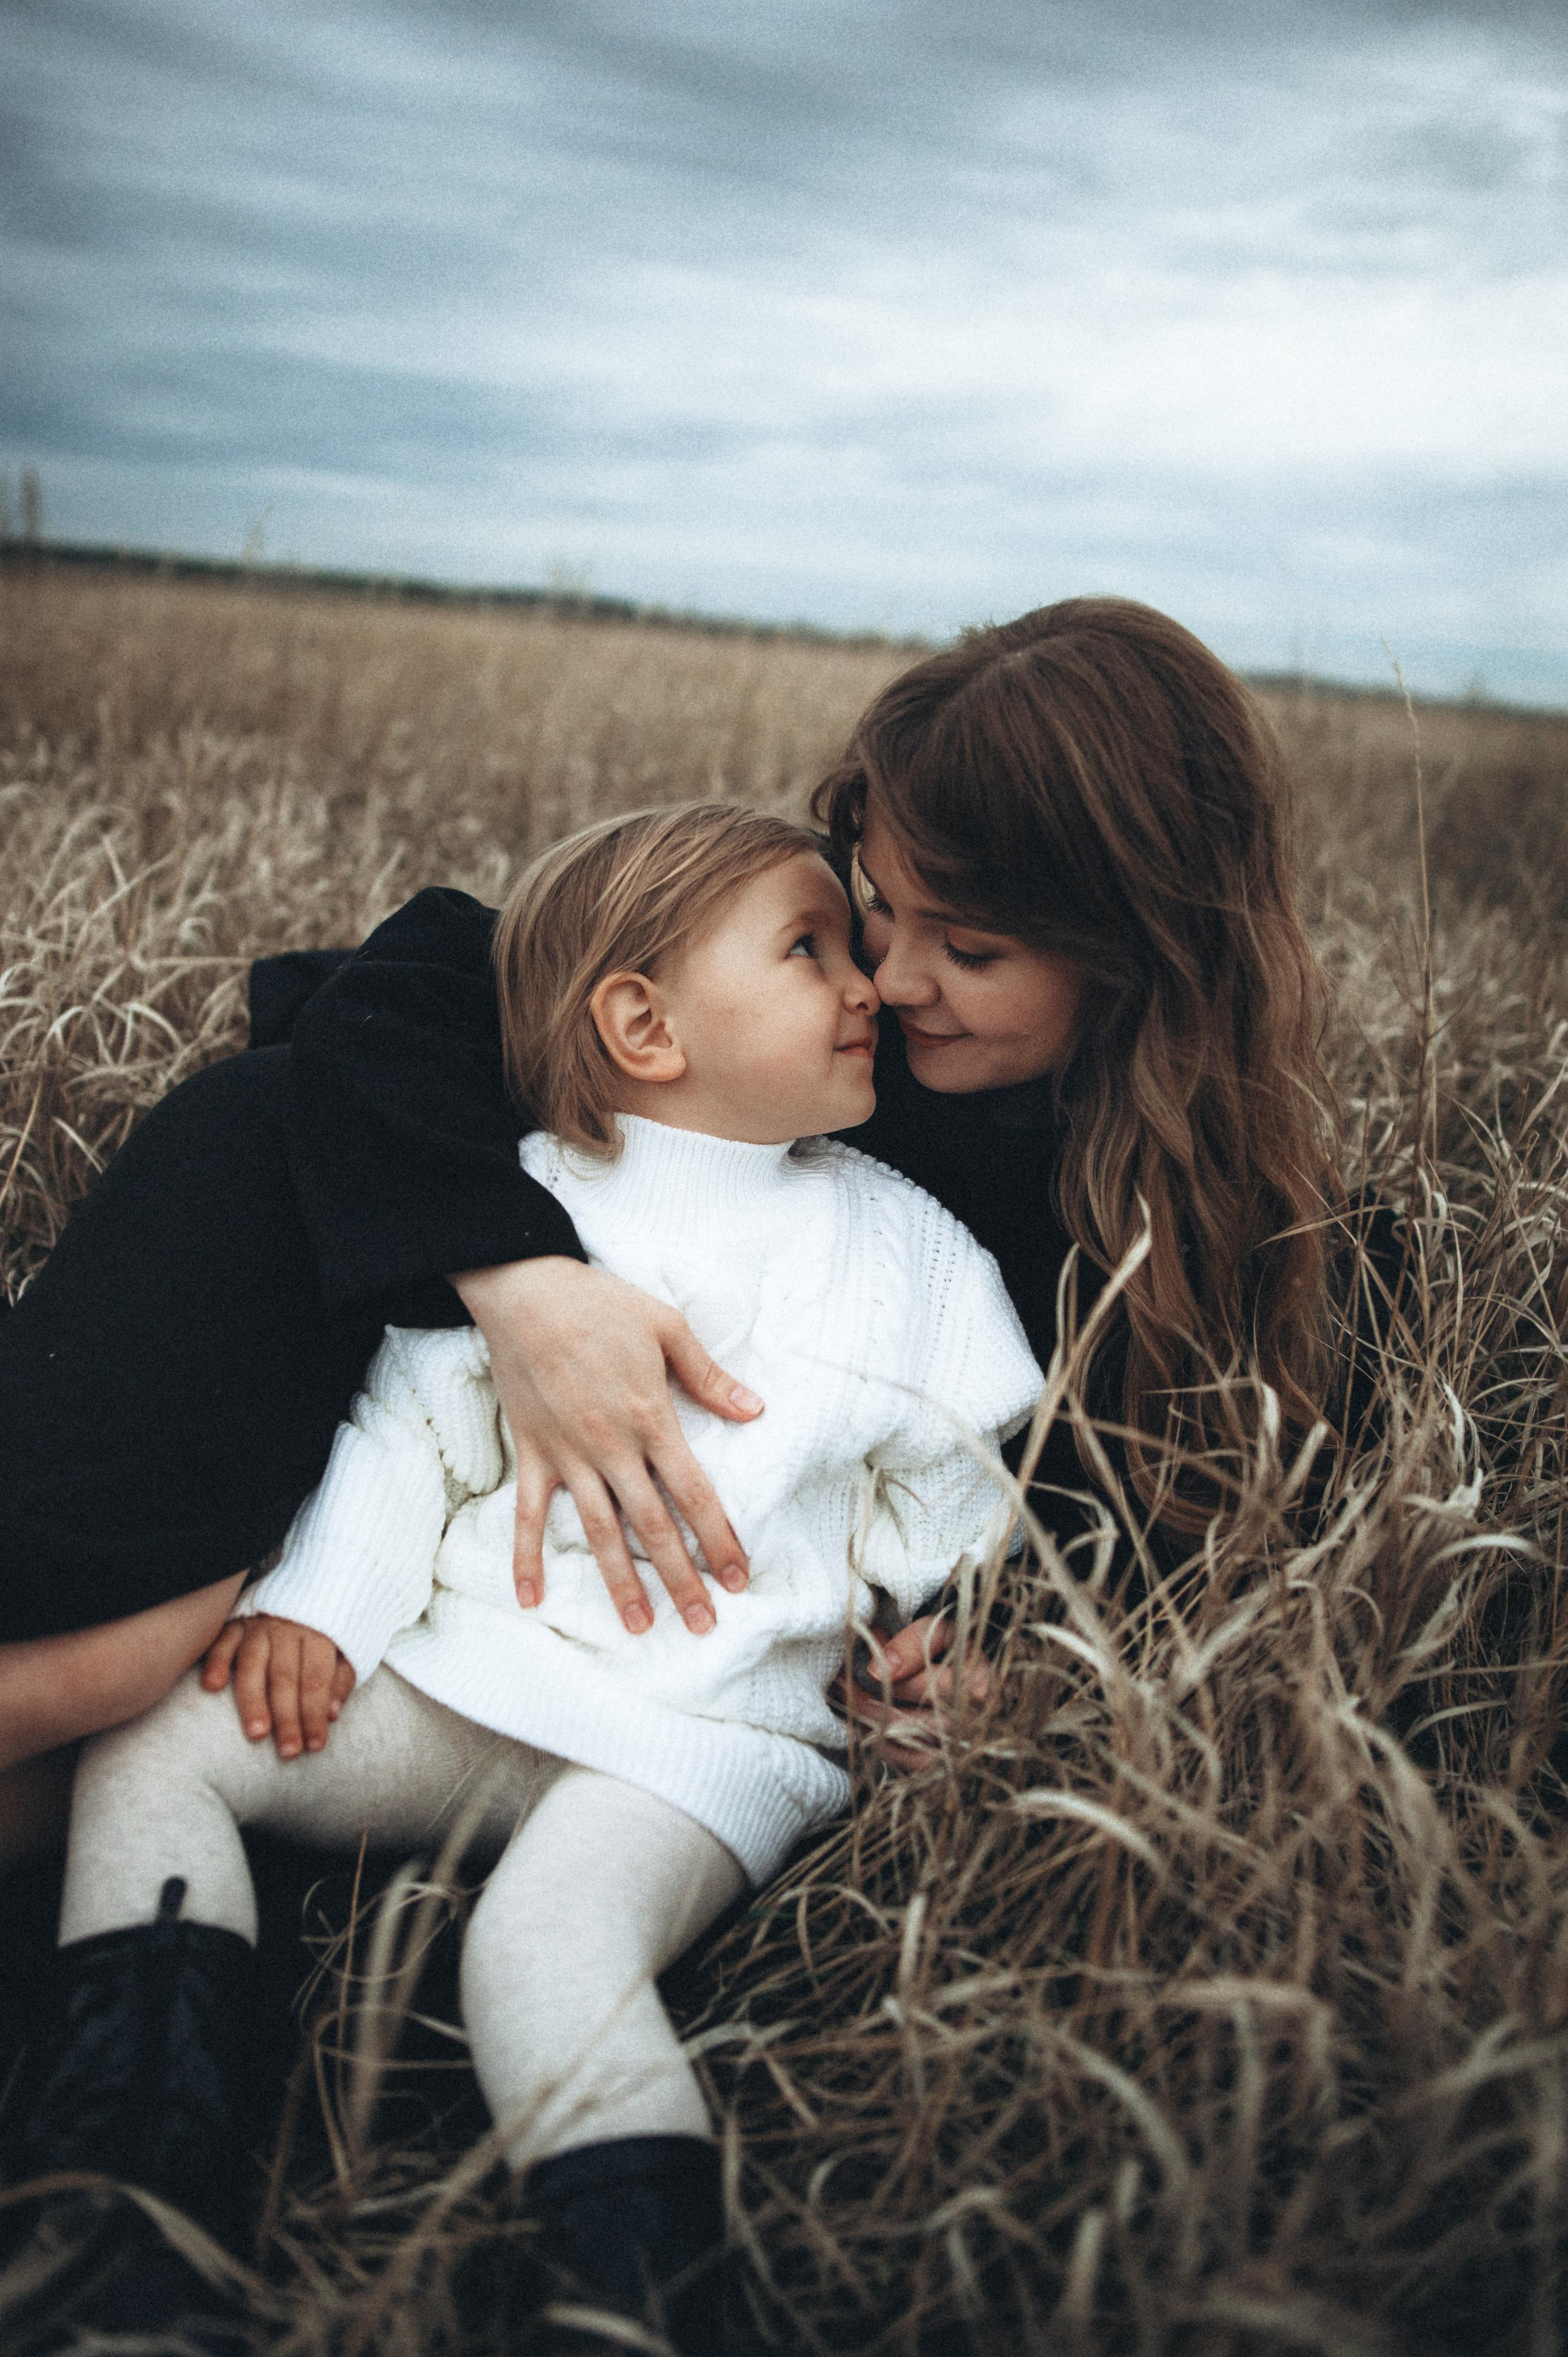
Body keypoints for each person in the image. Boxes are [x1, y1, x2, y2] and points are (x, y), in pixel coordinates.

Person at [0, 594, 1356, 1841]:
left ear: (1148, 954)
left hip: (562, 1649)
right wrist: (526, 1284)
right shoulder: (811, 1029)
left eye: (971, 950)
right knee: (106, 1657)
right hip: (281, 1206)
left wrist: (1012, 1653)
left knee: (97, 1768)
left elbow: (1135, 1526)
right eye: (878, 903)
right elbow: (397, 982)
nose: (886, 974)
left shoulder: (1217, 1242)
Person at [15, 803, 1042, 2350]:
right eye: (812, 947)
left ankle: (637, 2296)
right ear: (638, 1022)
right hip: (470, 1681)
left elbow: (974, 1491)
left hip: (705, 1744)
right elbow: (410, 1426)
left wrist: (943, 1634)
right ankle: (122, 2188)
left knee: (546, 1946)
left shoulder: (917, 1256)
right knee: (158, 1745)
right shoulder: (527, 1194)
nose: (868, 987)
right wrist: (324, 1608)